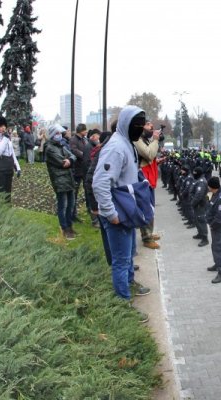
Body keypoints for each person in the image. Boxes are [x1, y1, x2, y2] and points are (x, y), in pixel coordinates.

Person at [92, 106, 149, 322]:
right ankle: (122, 304)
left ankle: (129, 284)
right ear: (126, 124)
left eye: (142, 125)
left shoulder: (127, 144)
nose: (140, 129)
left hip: (127, 209)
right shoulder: (116, 147)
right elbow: (100, 182)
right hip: (118, 213)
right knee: (121, 259)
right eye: (137, 125)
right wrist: (110, 213)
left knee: (128, 256)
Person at [45, 124, 77, 240]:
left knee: (71, 204)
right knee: (63, 205)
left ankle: (69, 226)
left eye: (60, 133)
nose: (60, 135)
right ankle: (64, 228)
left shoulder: (61, 146)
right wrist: (68, 161)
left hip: (68, 179)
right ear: (53, 135)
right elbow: (62, 163)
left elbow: (72, 156)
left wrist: (69, 160)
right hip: (59, 180)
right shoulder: (49, 148)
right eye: (57, 133)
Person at [134, 119, 161, 249]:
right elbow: (149, 154)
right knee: (146, 206)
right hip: (143, 178)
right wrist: (155, 140)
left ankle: (149, 232)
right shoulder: (137, 139)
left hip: (148, 176)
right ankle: (146, 237)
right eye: (149, 125)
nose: (152, 128)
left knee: (150, 206)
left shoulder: (144, 139)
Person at [0, 116, 21, 202]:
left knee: (8, 192)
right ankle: (2, 212)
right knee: (2, 193)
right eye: (1, 126)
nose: (4, 128)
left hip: (8, 168)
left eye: (4, 126)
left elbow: (12, 153)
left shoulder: (7, 138)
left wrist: (17, 167)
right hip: (0, 169)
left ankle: (8, 210)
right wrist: (6, 139)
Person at [206, 176, 221, 283]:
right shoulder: (216, 194)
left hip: (218, 227)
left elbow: (220, 218)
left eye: (208, 185)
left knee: (219, 248)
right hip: (215, 226)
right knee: (215, 246)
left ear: (212, 186)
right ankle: (217, 263)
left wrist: (212, 225)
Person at [69, 123, 89, 224]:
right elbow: (74, 150)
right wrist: (84, 155)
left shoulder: (84, 140)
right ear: (80, 131)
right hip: (76, 170)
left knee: (87, 190)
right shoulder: (74, 139)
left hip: (84, 169)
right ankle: (73, 214)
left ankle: (90, 210)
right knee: (74, 193)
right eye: (85, 130)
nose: (86, 132)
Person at [191, 166, 209, 247]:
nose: (193, 174)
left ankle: (205, 238)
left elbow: (198, 195)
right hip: (197, 204)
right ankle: (200, 233)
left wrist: (192, 203)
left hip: (199, 204)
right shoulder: (198, 179)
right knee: (197, 219)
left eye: (195, 173)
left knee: (201, 220)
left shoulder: (201, 182)